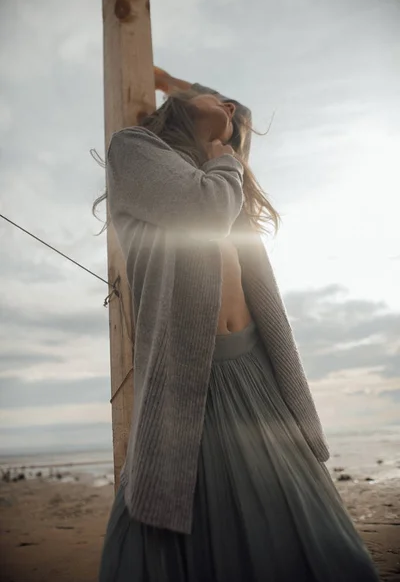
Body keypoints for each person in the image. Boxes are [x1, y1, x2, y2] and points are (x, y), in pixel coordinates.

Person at [97, 67, 379, 581]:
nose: (228, 109)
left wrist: (200, 113)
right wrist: (190, 109)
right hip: (189, 382)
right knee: (179, 523)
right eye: (215, 100)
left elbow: (234, 114)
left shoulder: (221, 175)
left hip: (259, 376)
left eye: (230, 111)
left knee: (317, 541)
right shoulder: (134, 152)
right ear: (180, 107)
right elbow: (202, 213)